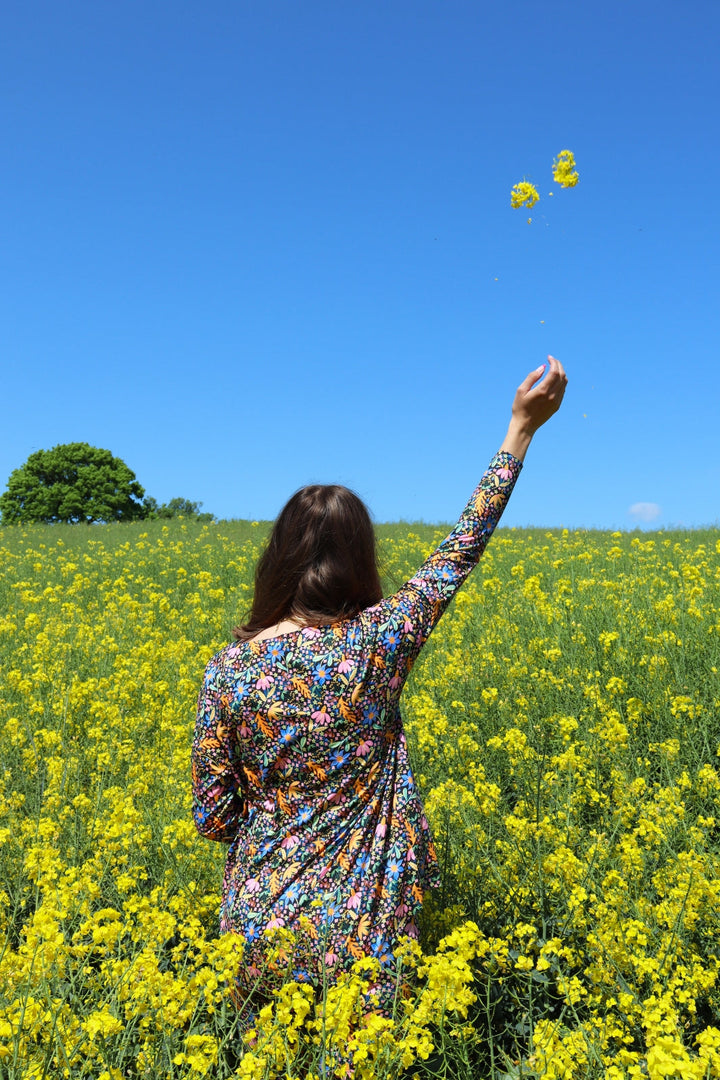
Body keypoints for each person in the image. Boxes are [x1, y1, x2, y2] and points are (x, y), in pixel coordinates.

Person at [191, 356, 567, 1019]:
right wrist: (520, 430)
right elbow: (460, 551)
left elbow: (213, 817)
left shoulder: (228, 670)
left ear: (276, 559)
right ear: (361, 560)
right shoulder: (381, 641)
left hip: (255, 928)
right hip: (365, 929)